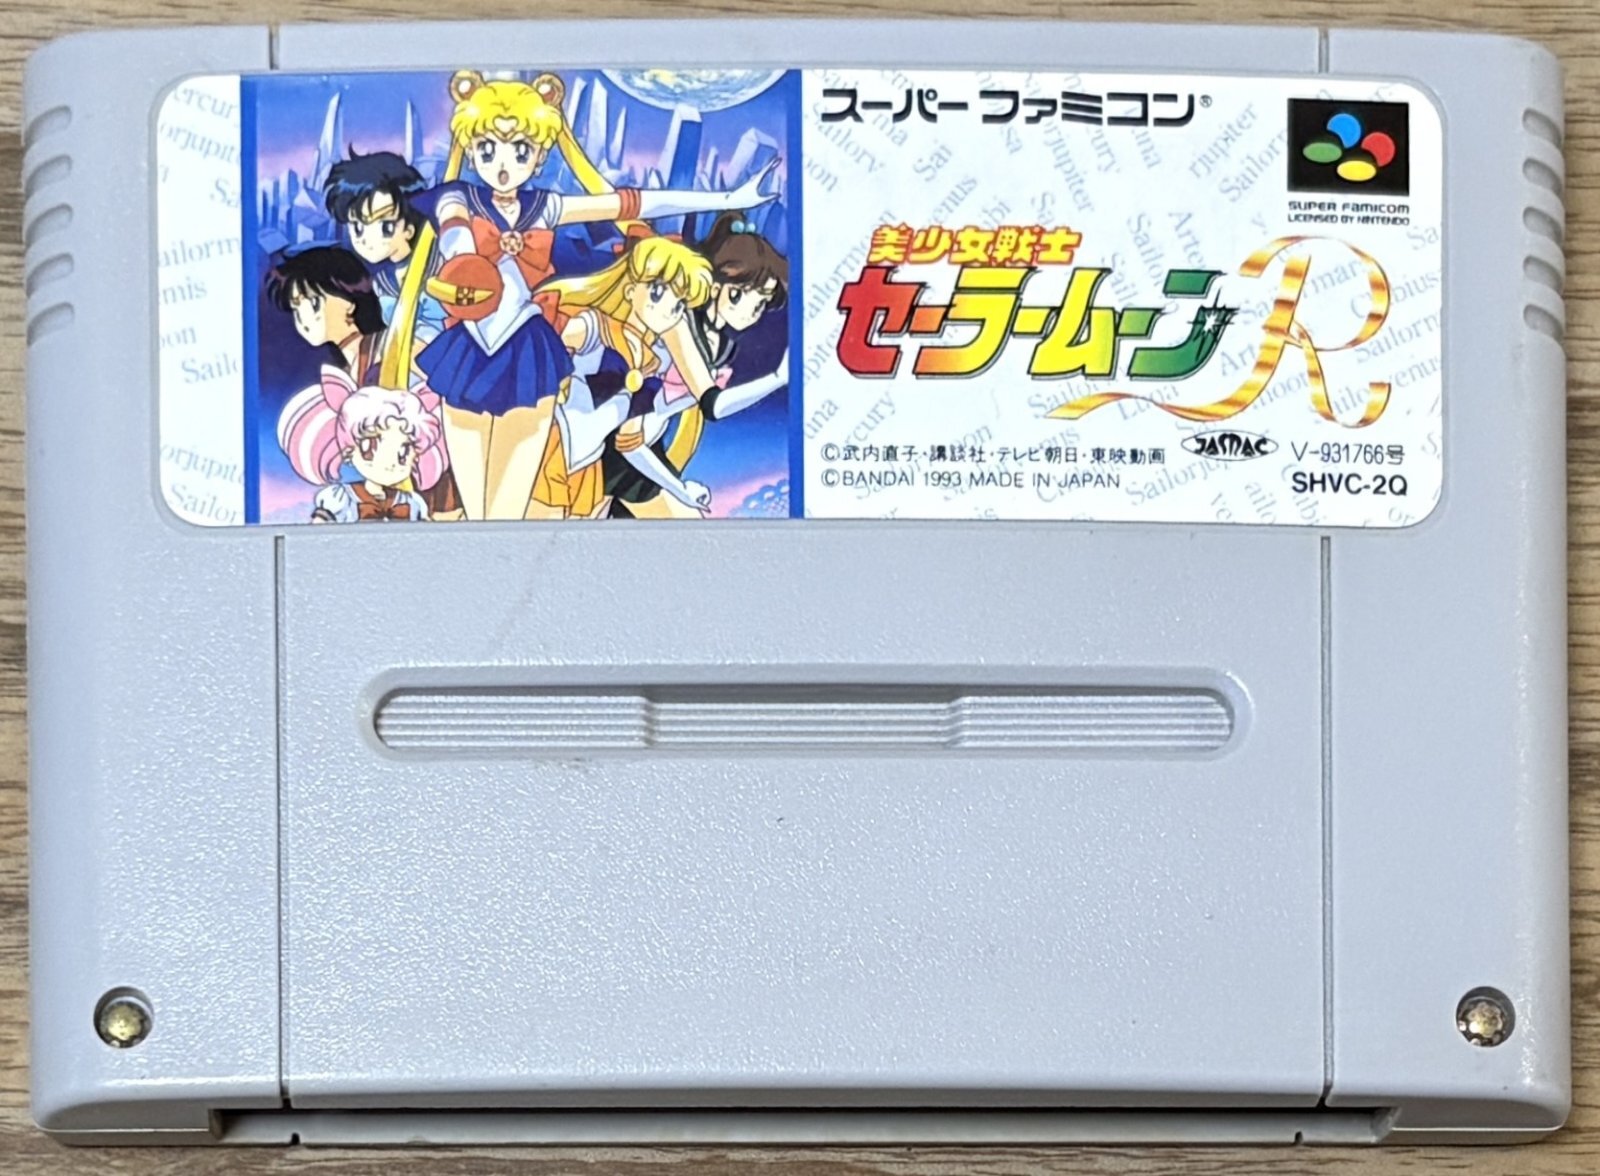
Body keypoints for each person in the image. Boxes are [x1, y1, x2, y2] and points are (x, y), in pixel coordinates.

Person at [398, 71, 781, 521]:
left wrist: (729, 198)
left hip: (527, 358)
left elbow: (631, 203)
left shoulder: (545, 207)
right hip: (466, 355)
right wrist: (466, 265)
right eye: (487, 149)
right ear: (470, 147)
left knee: (504, 515)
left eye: (519, 150)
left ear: (539, 156)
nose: (503, 164)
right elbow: (454, 234)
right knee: (476, 510)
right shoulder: (458, 198)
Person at [276, 367, 448, 523]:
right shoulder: (339, 499)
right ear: (349, 450)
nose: (388, 462)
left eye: (403, 453)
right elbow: (315, 536)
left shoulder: (411, 502)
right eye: (370, 447)